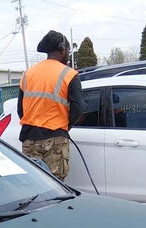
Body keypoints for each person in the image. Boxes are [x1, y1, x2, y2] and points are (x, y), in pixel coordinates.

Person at [17, 30, 85, 180]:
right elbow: (78, 109)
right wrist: (64, 125)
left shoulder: (27, 74)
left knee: (33, 185)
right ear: (62, 49)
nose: (68, 53)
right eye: (68, 49)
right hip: (55, 139)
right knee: (55, 187)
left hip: (30, 140)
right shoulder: (69, 74)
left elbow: (20, 110)